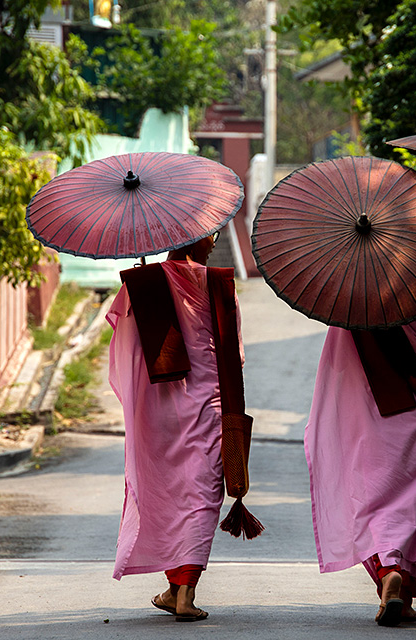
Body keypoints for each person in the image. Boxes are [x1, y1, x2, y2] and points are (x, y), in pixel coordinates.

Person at [107, 231, 260, 623]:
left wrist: (144, 293)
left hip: (158, 410)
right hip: (208, 405)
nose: (214, 241)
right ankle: (185, 592)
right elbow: (237, 356)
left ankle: (175, 588)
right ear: (191, 239)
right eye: (211, 235)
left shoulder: (147, 279)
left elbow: (126, 347)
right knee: (202, 494)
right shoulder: (218, 284)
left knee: (168, 490)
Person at [305, 303, 416, 627]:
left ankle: (388, 574)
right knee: (410, 501)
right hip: (415, 402)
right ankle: (399, 585)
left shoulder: (353, 292)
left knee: (372, 499)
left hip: (366, 411)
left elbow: (340, 364)